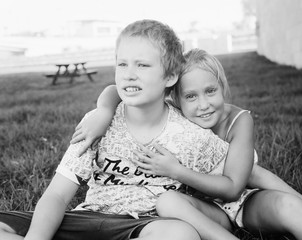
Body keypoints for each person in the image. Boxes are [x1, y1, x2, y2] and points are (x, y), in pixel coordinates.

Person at [72, 48, 302, 240]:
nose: (204, 105)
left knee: (285, 204)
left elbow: (242, 184)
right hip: (200, 208)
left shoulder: (238, 119)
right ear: (175, 99)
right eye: (191, 96)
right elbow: (113, 90)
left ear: (223, 87)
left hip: (243, 200)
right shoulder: (174, 115)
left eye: (210, 91)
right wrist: (104, 111)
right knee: (167, 201)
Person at [0, 20, 242, 240]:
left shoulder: (191, 134)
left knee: (181, 234)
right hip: (87, 219)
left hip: (144, 226)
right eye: (122, 64)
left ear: (170, 76)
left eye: (142, 65)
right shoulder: (97, 123)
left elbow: (236, 181)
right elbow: (57, 195)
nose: (129, 75)